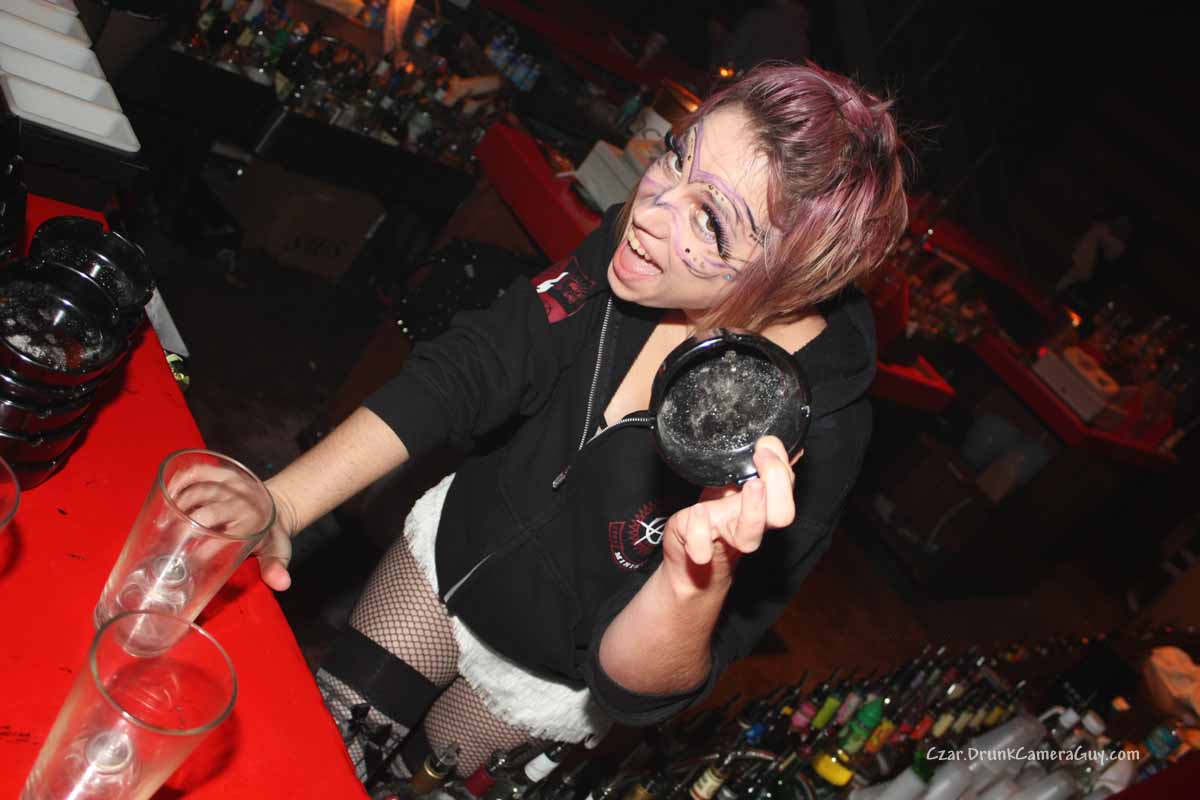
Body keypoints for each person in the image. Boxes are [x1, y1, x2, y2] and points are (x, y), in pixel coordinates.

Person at [254, 62, 910, 783]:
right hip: (448, 562)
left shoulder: (818, 431)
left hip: (546, 683)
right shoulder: (637, 249)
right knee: (306, 762)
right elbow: (476, 364)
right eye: (676, 156)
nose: (650, 209)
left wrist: (695, 578)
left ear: (794, 279)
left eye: (710, 220)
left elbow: (638, 688)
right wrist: (283, 502)